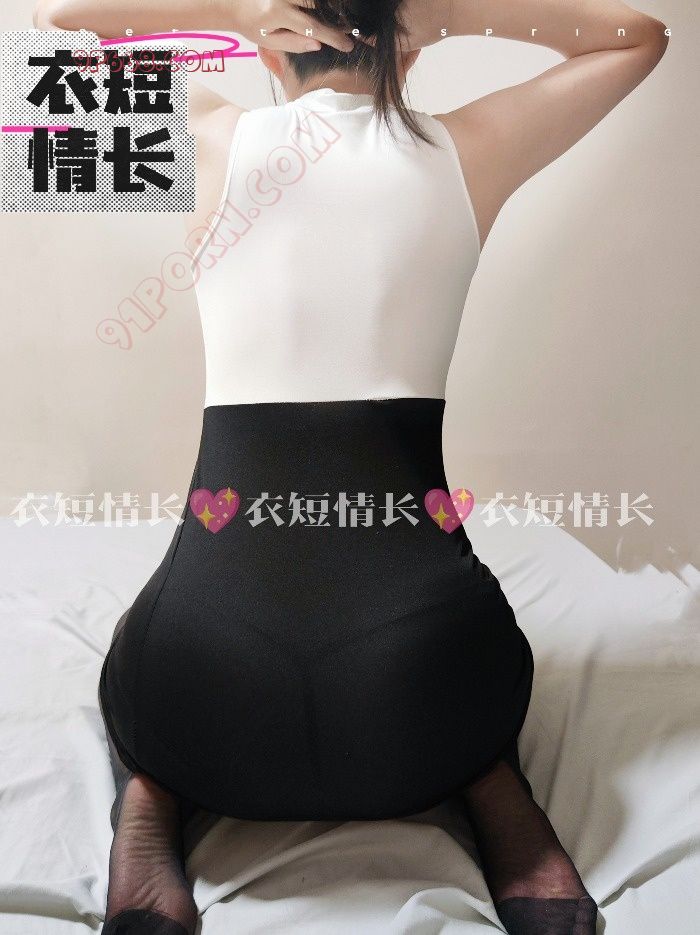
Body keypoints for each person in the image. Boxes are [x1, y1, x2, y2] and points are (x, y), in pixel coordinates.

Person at [33, 1, 668, 933]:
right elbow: (642, 37)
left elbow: (51, 47)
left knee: (150, 654)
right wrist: (442, 15)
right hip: (420, 705)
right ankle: (488, 778)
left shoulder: (214, 140)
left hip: (201, 698)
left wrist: (233, 10)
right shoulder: (466, 149)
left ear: (272, 45)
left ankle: (155, 792)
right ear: (405, 41)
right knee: (473, 660)